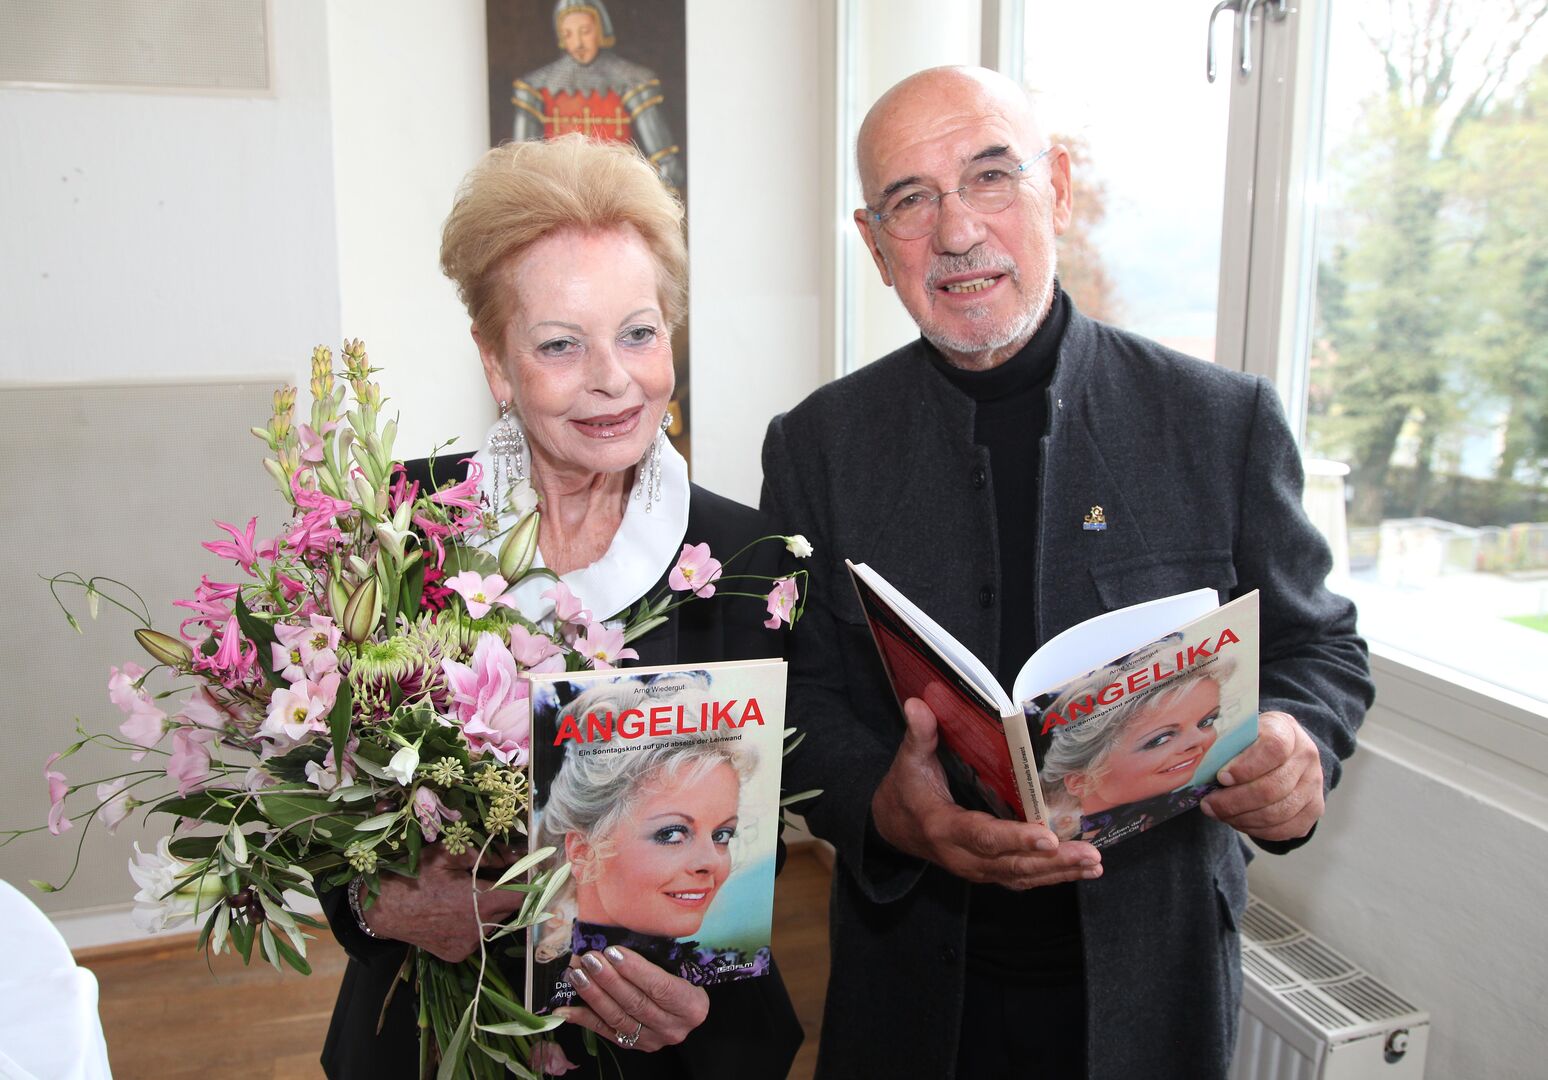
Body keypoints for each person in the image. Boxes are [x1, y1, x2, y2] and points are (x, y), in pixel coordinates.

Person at [762, 66, 1374, 1079]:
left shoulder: (1220, 422)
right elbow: (800, 695)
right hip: (913, 991)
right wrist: (885, 807)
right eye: (911, 200)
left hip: (1151, 989)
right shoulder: (817, 448)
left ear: (1057, 188)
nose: (958, 231)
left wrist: (1298, 740)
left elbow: (1319, 646)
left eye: (991, 176)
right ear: (874, 244)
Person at [319, 133, 800, 1079]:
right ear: (497, 362)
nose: (612, 377)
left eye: (639, 333)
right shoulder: (397, 529)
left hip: (670, 1044)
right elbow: (320, 795)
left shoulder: (753, 561)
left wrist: (691, 968)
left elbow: (756, 830)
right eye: (559, 345)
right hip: (430, 1032)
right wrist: (377, 903)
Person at [531, 682, 770, 1007]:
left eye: (721, 835)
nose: (711, 862)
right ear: (582, 851)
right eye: (671, 834)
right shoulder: (529, 1002)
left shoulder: (739, 969)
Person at [1039, 648, 1245, 845]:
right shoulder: (1056, 836)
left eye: (1207, 721)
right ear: (1080, 781)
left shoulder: (1208, 793)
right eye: (1160, 739)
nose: (1198, 740)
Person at [512, 0, 684, 190]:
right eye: (568, 34)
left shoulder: (632, 81)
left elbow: (667, 163)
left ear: (601, 30)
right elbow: (521, 164)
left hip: (619, 192)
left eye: (585, 31)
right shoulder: (535, 86)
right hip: (559, 196)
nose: (578, 43)